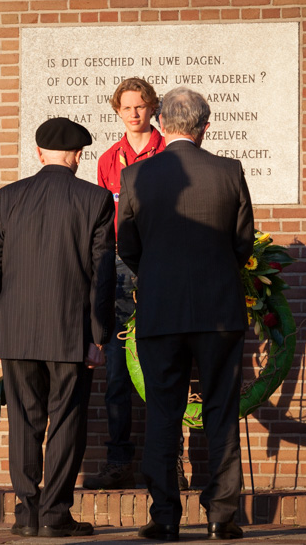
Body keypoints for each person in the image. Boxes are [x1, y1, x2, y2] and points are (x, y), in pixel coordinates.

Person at [117, 87, 254, 541]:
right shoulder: (229, 171)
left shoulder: (136, 176)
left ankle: (165, 517)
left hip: (160, 310)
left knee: (162, 413)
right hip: (219, 310)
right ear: (204, 128)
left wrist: (157, 276)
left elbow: (128, 246)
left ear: (163, 124)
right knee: (221, 410)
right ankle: (221, 516)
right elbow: (242, 243)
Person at [0, 117, 116, 538]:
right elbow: (103, 273)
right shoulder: (95, 199)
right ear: (78, 156)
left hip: (17, 332)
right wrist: (98, 336)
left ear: (38, 154)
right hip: (70, 332)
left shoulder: (9, 197)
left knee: (23, 421)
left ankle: (26, 514)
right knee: (67, 422)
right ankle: (55, 514)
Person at [86, 77, 191, 491]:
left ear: (153, 110)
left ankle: (171, 462)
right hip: (116, 269)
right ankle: (118, 461)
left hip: (160, 264)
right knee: (116, 375)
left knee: (166, 367)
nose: (134, 113)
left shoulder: (170, 153)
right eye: (126, 107)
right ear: (117, 112)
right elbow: (101, 220)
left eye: (141, 106)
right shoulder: (109, 159)